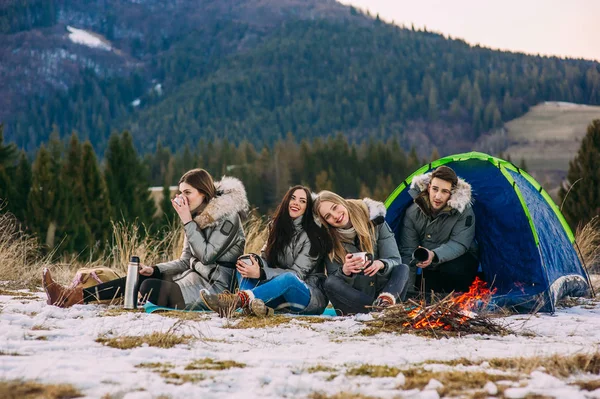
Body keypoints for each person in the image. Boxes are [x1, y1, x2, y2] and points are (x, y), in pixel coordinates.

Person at [42, 168, 248, 309]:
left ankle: (71, 297)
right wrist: (156, 269)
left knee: (148, 288)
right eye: (181, 192)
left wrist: (186, 221)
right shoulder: (196, 218)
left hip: (214, 289)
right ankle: (70, 296)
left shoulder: (228, 217)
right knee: (139, 278)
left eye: (188, 192)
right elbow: (186, 261)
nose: (182, 197)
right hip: (190, 279)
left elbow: (206, 256)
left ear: (204, 194)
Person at [201, 185, 331, 317]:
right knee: (245, 261)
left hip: (307, 298)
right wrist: (254, 263)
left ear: (307, 208)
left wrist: (261, 273)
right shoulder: (277, 227)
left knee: (289, 278)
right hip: (280, 295)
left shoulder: (314, 235)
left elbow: (298, 274)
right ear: (287, 201)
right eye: (293, 198)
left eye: (302, 201)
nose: (296, 203)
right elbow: (265, 258)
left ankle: (238, 301)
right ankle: (252, 306)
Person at [313, 191, 409, 315]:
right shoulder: (328, 240)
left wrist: (382, 264)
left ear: (342, 202)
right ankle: (378, 309)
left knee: (402, 268)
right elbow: (333, 281)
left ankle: (383, 304)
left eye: (335, 207)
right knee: (330, 283)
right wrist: (345, 271)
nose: (335, 216)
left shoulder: (375, 221)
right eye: (328, 216)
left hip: (382, 291)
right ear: (326, 222)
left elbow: (395, 260)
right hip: (354, 303)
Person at [399, 165, 478, 295]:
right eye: (435, 189)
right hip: (431, 266)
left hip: (460, 263)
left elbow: (459, 244)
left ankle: (460, 299)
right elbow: (408, 252)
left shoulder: (463, 211)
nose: (438, 196)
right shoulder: (412, 213)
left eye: (444, 191)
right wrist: (407, 293)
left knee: (451, 270)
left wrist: (434, 255)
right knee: (426, 293)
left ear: (451, 193)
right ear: (429, 187)